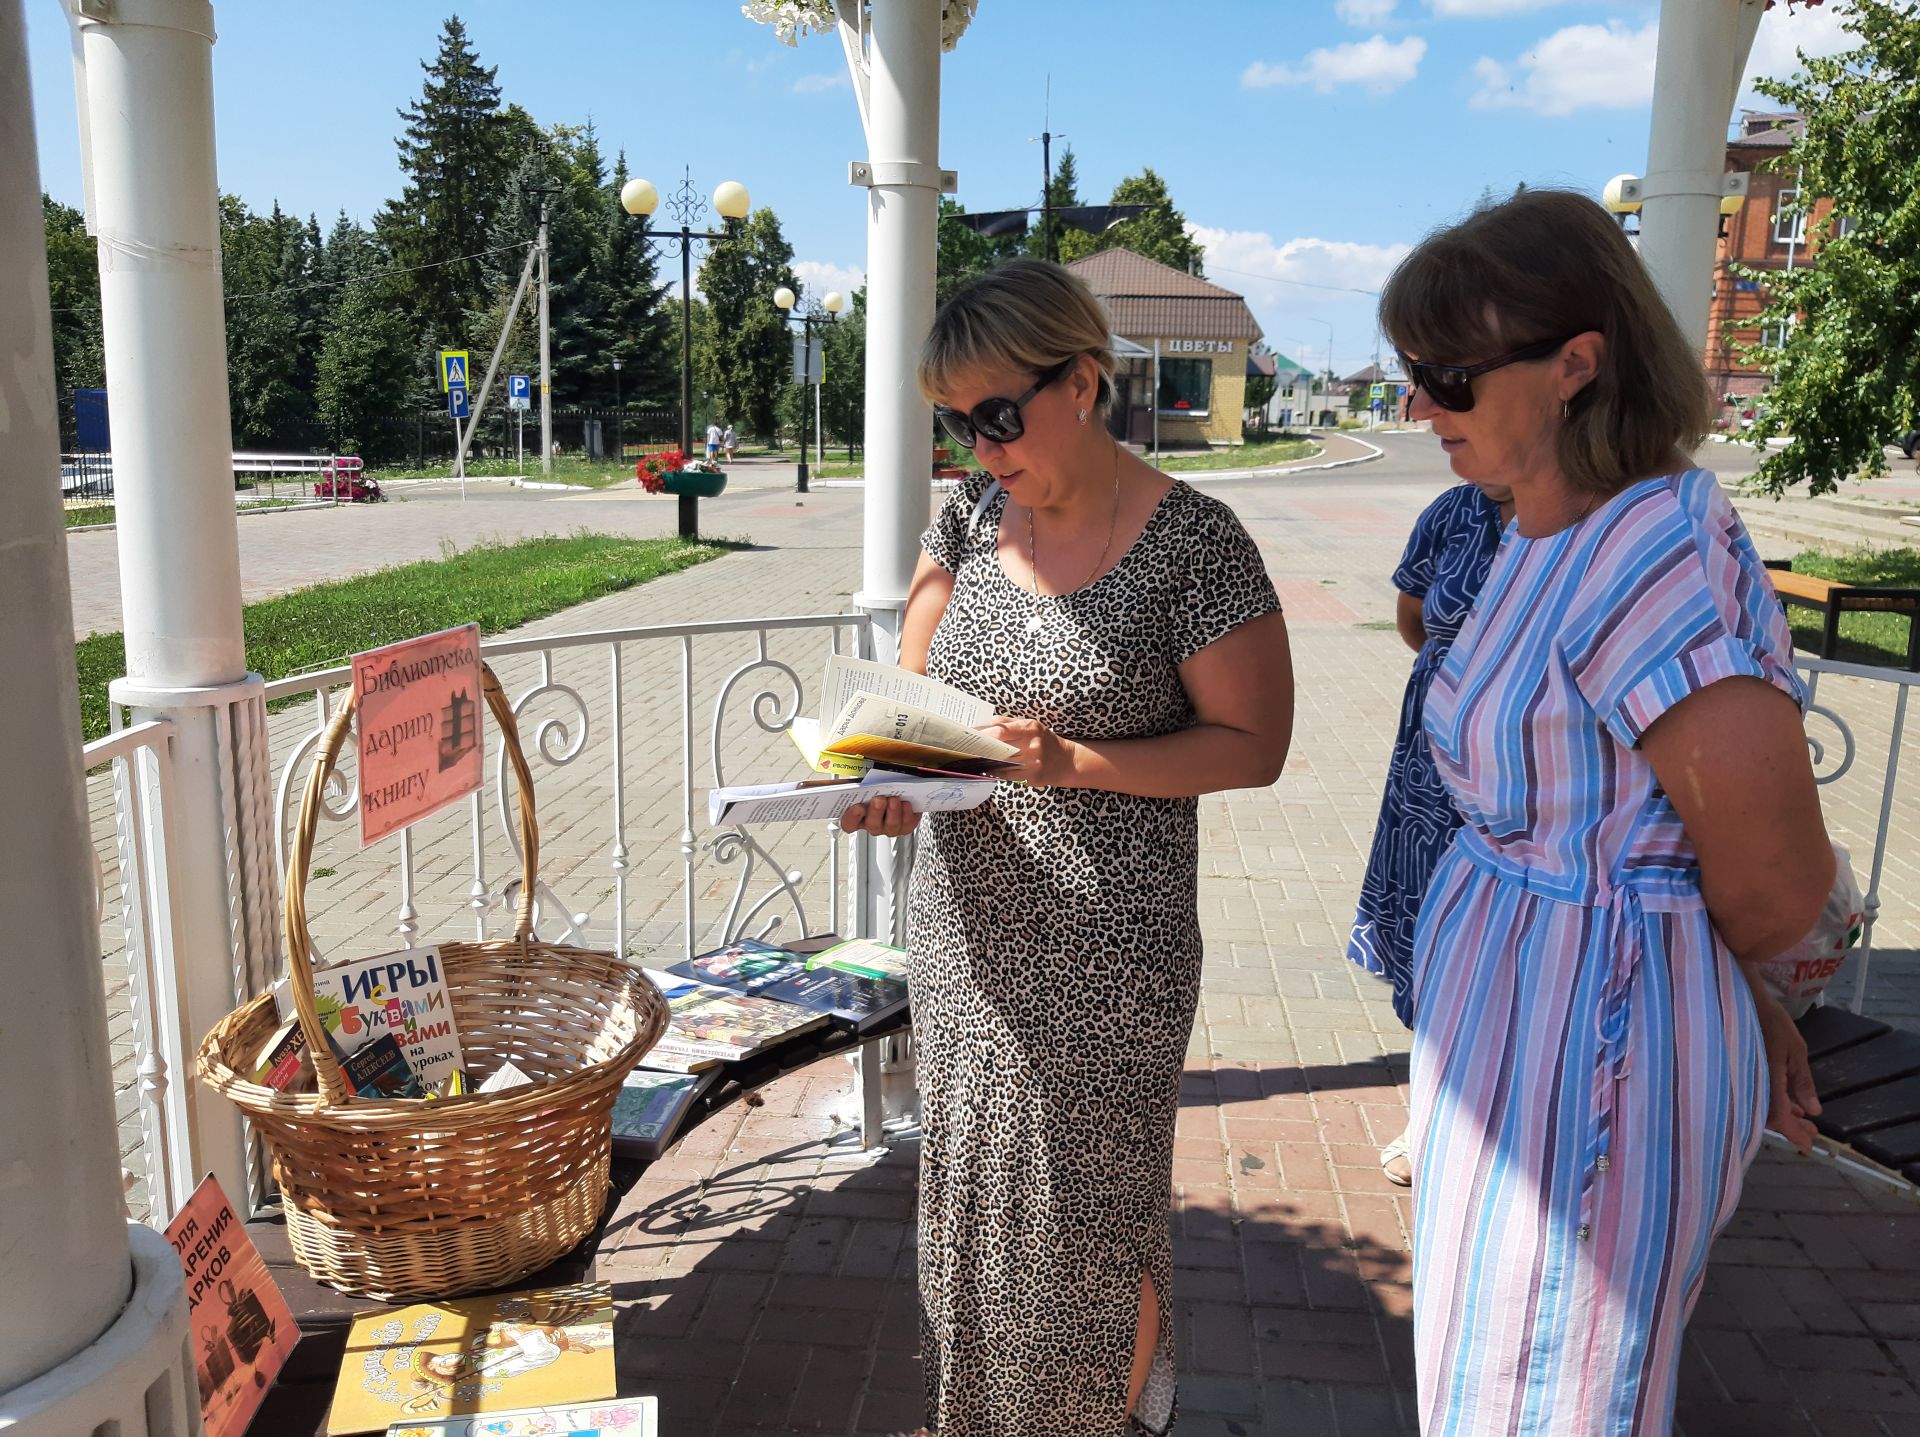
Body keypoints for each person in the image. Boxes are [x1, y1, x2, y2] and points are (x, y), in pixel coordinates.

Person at [1387, 189, 1830, 1436]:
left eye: (1450, 376)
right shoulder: (1543, 524)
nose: (1419, 406)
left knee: (1548, 1394)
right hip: (1521, 1016)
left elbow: (1776, 880)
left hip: (1594, 1042)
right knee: (1495, 1378)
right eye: (1411, 373)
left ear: (1577, 366)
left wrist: (1730, 991)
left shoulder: (1647, 547)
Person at [837, 258, 1294, 1437]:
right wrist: (888, 776)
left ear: (1083, 381)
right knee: (974, 1213)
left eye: (999, 416)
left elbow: (1255, 744)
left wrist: (1072, 763)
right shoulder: (971, 515)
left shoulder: (1197, 543)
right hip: (967, 937)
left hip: (1108, 952)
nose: (980, 448)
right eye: (955, 420)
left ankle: (1101, 1423)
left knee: (1082, 1223)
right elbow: (915, 688)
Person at [1347, 475, 1510, 1184]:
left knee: (1502, 945)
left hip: (1520, 780)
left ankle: (1498, 1122)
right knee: (1431, 935)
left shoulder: (1604, 511)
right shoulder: (1456, 510)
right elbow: (1415, 619)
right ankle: (1433, 1112)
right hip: (1433, 770)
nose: (1430, 409)